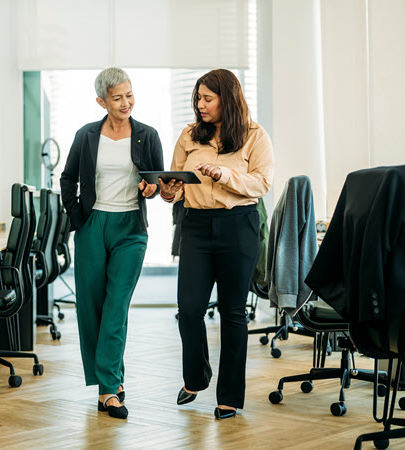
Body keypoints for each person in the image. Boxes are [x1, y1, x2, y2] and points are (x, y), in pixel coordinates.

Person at [159, 69, 274, 419]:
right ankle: (196, 377)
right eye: (198, 98)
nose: (200, 104)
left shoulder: (255, 136)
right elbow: (175, 184)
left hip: (237, 226)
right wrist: (168, 190)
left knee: (233, 312)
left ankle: (230, 397)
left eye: (208, 98)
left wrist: (224, 174)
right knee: (189, 309)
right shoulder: (190, 135)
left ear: (228, 98)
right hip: (195, 225)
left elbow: (262, 183)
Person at [60, 68, 164, 419]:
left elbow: (158, 181)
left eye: (129, 95)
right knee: (91, 308)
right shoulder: (87, 135)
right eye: (117, 97)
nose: (126, 103)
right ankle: (110, 382)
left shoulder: (147, 135)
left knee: (116, 306)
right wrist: (77, 218)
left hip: (130, 228)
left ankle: (108, 389)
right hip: (93, 224)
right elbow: (68, 177)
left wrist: (153, 188)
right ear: (101, 101)